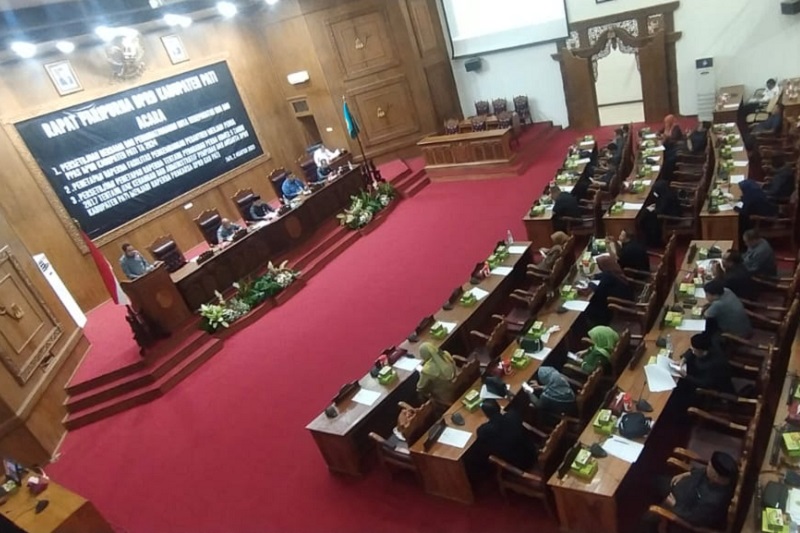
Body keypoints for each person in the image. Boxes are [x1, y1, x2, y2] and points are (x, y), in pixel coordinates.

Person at [649, 451, 738, 530]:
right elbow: (702, 472)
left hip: (680, 506)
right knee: (653, 479)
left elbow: (693, 519)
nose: (707, 467)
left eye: (709, 466)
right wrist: (688, 473)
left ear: (716, 476)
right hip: (681, 487)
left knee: (649, 519)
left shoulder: (712, 502)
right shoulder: (719, 478)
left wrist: (674, 505)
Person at [475, 399, 538, 470]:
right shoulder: (513, 415)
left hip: (518, 462)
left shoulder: (484, 430)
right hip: (531, 451)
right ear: (499, 407)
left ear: (486, 414)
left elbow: (480, 434)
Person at [584, 255, 636, 326]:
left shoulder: (607, 278)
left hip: (621, 303)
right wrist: (594, 277)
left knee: (593, 301)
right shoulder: (613, 271)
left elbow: (598, 289)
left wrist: (590, 284)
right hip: (627, 295)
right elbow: (601, 276)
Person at [642, 180, 681, 247]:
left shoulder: (666, 198)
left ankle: (654, 240)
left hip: (672, 218)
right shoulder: (667, 193)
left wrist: (653, 209)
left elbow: (660, 211)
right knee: (647, 214)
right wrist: (655, 206)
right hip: (670, 212)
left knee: (649, 217)